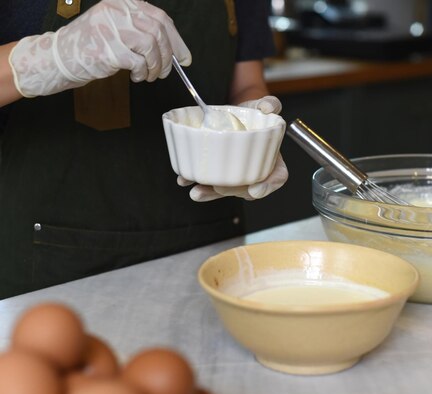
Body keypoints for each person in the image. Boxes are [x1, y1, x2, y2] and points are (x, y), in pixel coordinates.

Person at [0, 0, 288, 298]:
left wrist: (256, 131)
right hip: (50, 263)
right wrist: (51, 57)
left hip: (208, 249)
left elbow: (247, 83)